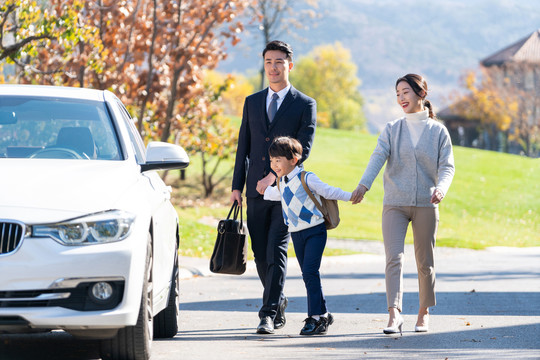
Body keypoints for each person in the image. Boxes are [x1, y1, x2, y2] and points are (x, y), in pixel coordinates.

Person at [351, 73, 455, 335]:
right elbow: (377, 157)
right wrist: (364, 185)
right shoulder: (391, 129)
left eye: (405, 92)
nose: (400, 98)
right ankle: (393, 314)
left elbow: (447, 167)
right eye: (397, 93)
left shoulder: (438, 131)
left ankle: (423, 312)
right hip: (394, 203)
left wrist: (441, 189)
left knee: (424, 262)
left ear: (421, 94)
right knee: (394, 258)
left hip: (426, 204)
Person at [230, 40, 317, 334]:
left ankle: (266, 314)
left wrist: (273, 174)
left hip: (286, 193)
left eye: (279, 62)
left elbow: (301, 149)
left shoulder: (305, 105)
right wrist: (236, 187)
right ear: (264, 65)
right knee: (259, 254)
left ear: (289, 65)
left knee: (276, 250)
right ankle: (278, 300)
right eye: (268, 61)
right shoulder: (252, 102)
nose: (273, 67)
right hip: (254, 191)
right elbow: (244, 146)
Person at [263, 136, 352, 335]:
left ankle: (313, 318)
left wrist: (351, 196)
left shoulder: (307, 178)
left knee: (310, 273)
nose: (274, 164)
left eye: (278, 160)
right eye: (271, 161)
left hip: (315, 231)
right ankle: (324, 315)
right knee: (308, 275)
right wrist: (260, 190)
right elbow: (273, 195)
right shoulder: (282, 182)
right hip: (297, 234)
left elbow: (328, 191)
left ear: (293, 160)